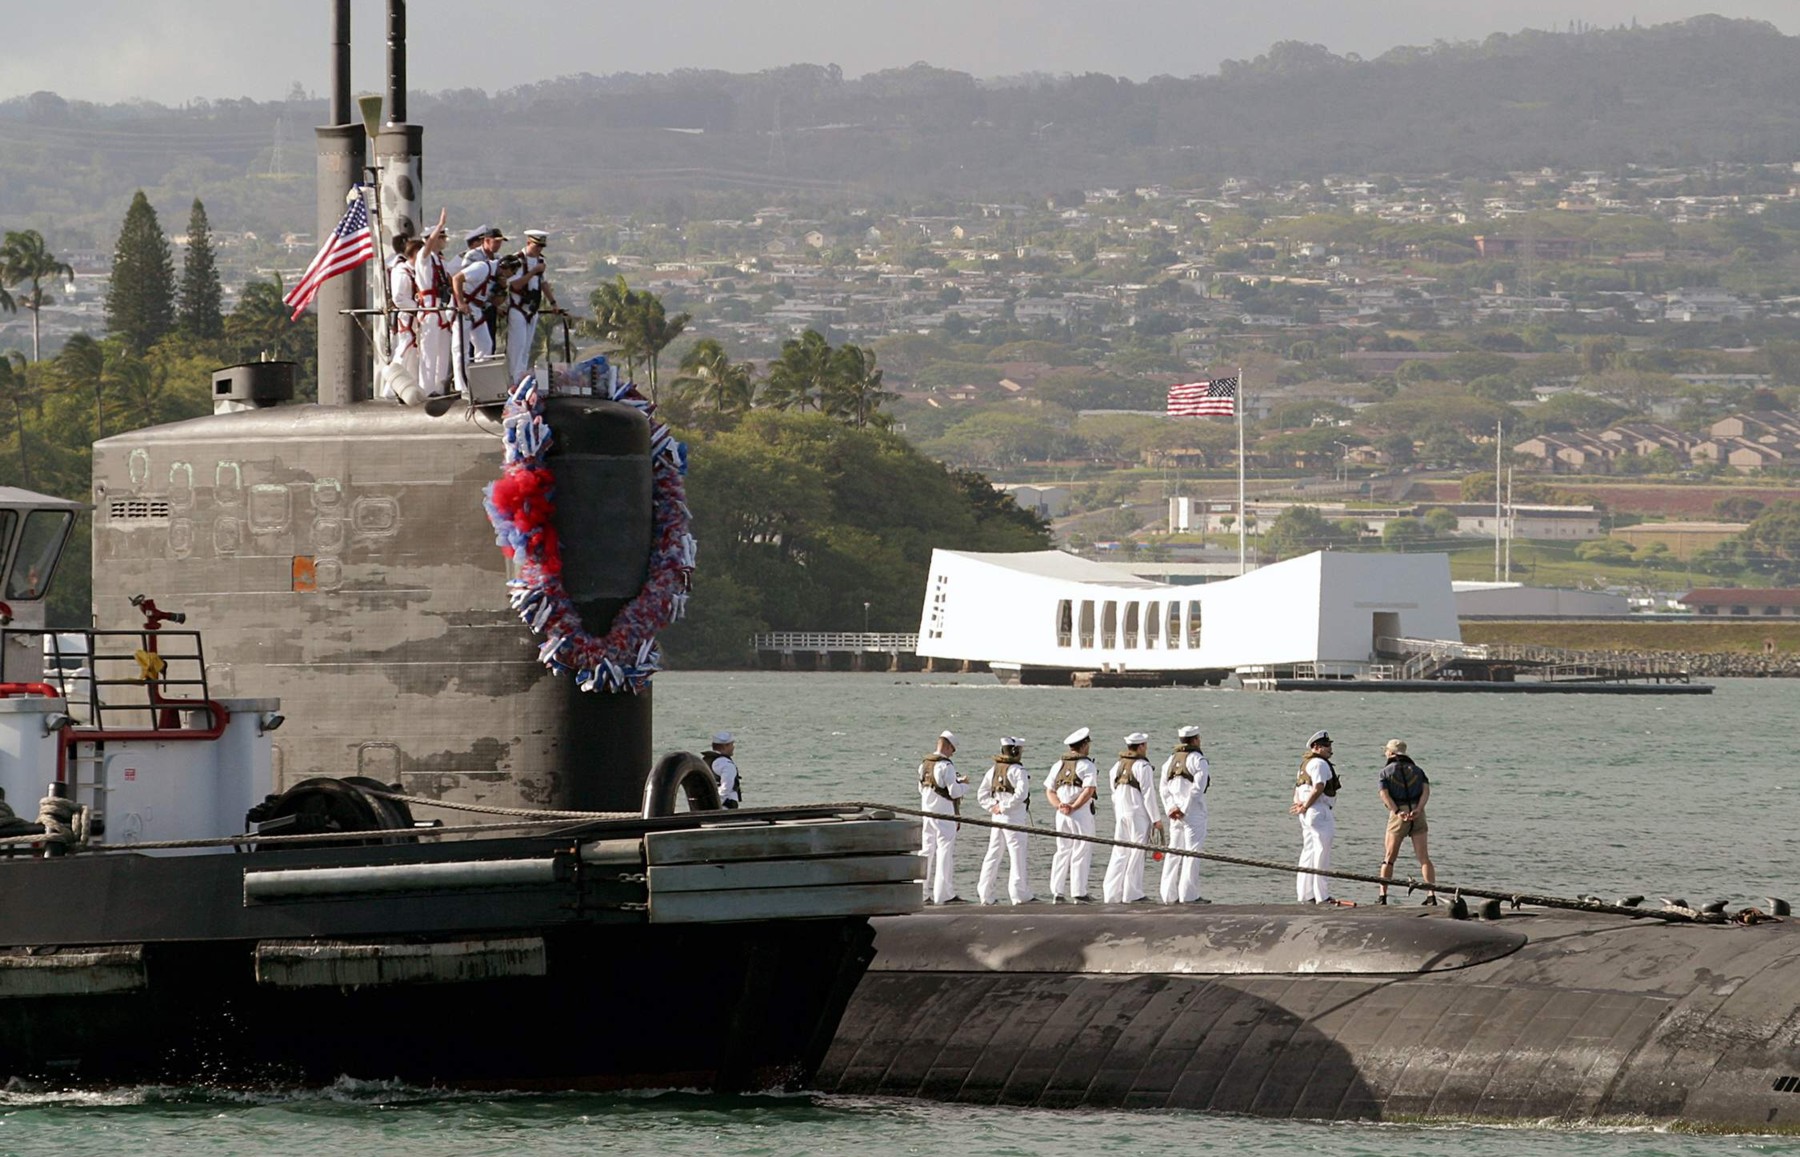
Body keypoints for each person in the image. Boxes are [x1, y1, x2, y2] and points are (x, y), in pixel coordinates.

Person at [975, 736, 1034, 905]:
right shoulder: (1018, 771)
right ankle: (1018, 893)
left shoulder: (992, 770)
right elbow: (1021, 794)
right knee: (1017, 854)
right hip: (1013, 817)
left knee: (993, 854)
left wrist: (994, 806)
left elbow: (981, 795)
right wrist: (1005, 806)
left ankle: (985, 893)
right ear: (1016, 751)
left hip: (997, 817)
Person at [1377, 738, 1436, 904]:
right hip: (1418, 813)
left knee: (1389, 857)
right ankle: (1431, 895)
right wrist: (1418, 809)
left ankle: (1383, 895)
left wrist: (1397, 811)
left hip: (1399, 815)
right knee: (1424, 858)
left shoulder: (1385, 772)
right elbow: (1426, 791)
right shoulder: (1418, 770)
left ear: (1390, 752)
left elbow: (1384, 794)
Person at [1102, 732, 1158, 903]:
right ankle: (1132, 893)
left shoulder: (1116, 766)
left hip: (1121, 813)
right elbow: (1148, 794)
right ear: (1140, 746)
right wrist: (1156, 819)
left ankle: (1111, 893)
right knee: (1137, 852)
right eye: (1145, 745)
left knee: (1119, 852)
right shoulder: (1142, 766)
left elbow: (1113, 793)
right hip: (1138, 814)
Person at [1045, 726, 1099, 903]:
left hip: (1062, 814)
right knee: (1081, 850)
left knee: (1062, 851)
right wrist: (1074, 806)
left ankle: (1057, 892)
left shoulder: (1058, 765)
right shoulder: (1087, 765)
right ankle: (1078, 891)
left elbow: (1049, 791)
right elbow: (1089, 790)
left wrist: (1060, 806)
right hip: (1080, 813)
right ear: (1083, 745)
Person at [1159, 724, 1211, 904]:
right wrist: (1185, 810)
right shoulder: (1198, 760)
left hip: (1174, 814)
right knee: (1192, 853)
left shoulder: (1170, 760)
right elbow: (1198, 790)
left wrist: (1171, 808)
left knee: (1174, 852)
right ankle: (1189, 895)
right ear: (1195, 740)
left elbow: (1163, 789)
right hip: (1192, 813)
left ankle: (1167, 895)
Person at [1289, 729, 1341, 905]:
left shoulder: (1304, 764)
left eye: (1330, 745)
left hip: (1307, 813)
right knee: (1321, 853)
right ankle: (1322, 895)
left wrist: (1300, 804)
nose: (1329, 748)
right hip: (1319, 810)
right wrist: (1306, 805)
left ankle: (1305, 894)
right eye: (1326, 746)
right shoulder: (1319, 764)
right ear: (1315, 747)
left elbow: (1297, 789)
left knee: (1308, 852)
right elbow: (1319, 786)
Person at [918, 730, 968, 905]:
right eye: (952, 749)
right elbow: (954, 792)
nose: (953, 753)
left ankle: (921, 893)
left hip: (927, 813)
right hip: (943, 815)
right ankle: (943, 894)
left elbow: (921, 790)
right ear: (947, 746)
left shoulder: (924, 764)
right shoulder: (946, 766)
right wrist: (964, 785)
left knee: (926, 851)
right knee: (945, 852)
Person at [452, 225, 507, 377]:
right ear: (486, 241)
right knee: (462, 347)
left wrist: (500, 288)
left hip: (485, 305)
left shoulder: (498, 259)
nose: (498, 245)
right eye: (496, 242)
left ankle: (481, 381)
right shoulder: (473, 257)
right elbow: (466, 280)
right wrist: (461, 303)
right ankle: (462, 382)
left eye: (500, 242)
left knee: (487, 345)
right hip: (469, 303)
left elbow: (493, 286)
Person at [506, 229, 557, 386]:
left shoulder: (540, 261)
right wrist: (533, 271)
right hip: (518, 306)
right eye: (536, 246)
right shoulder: (516, 260)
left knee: (527, 347)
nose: (539, 250)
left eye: (541, 247)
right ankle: (513, 380)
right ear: (528, 243)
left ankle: (521, 378)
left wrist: (553, 302)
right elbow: (515, 284)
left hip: (532, 308)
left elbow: (543, 283)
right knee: (517, 347)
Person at [380, 234, 426, 404]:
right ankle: (391, 389)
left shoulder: (414, 271)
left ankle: (410, 385)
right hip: (408, 316)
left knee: (412, 353)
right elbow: (399, 297)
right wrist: (417, 309)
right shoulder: (401, 270)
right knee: (404, 349)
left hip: (415, 316)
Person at [413, 210, 454, 396]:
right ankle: (426, 388)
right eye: (440, 236)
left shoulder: (440, 260)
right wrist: (439, 225)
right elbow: (427, 246)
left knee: (443, 352)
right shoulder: (424, 257)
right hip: (429, 309)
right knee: (428, 353)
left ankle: (440, 387)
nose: (443, 239)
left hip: (442, 308)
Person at [703, 731, 741, 809]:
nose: (733, 747)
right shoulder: (726, 764)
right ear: (724, 746)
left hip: (705, 803)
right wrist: (717, 804)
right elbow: (726, 786)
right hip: (725, 805)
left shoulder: (706, 761)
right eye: (731, 744)